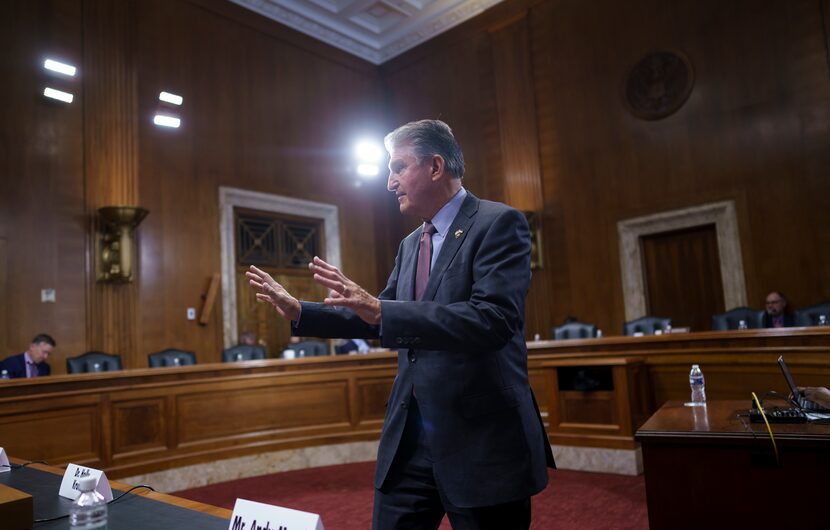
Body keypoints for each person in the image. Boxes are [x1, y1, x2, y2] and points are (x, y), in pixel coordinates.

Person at [248, 119, 554, 529]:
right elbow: (377, 315)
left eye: (398, 167)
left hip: (480, 438)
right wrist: (301, 311)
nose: (390, 182)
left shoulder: (499, 223)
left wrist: (381, 310)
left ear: (435, 167)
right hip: (410, 439)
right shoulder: (411, 243)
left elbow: (492, 320)